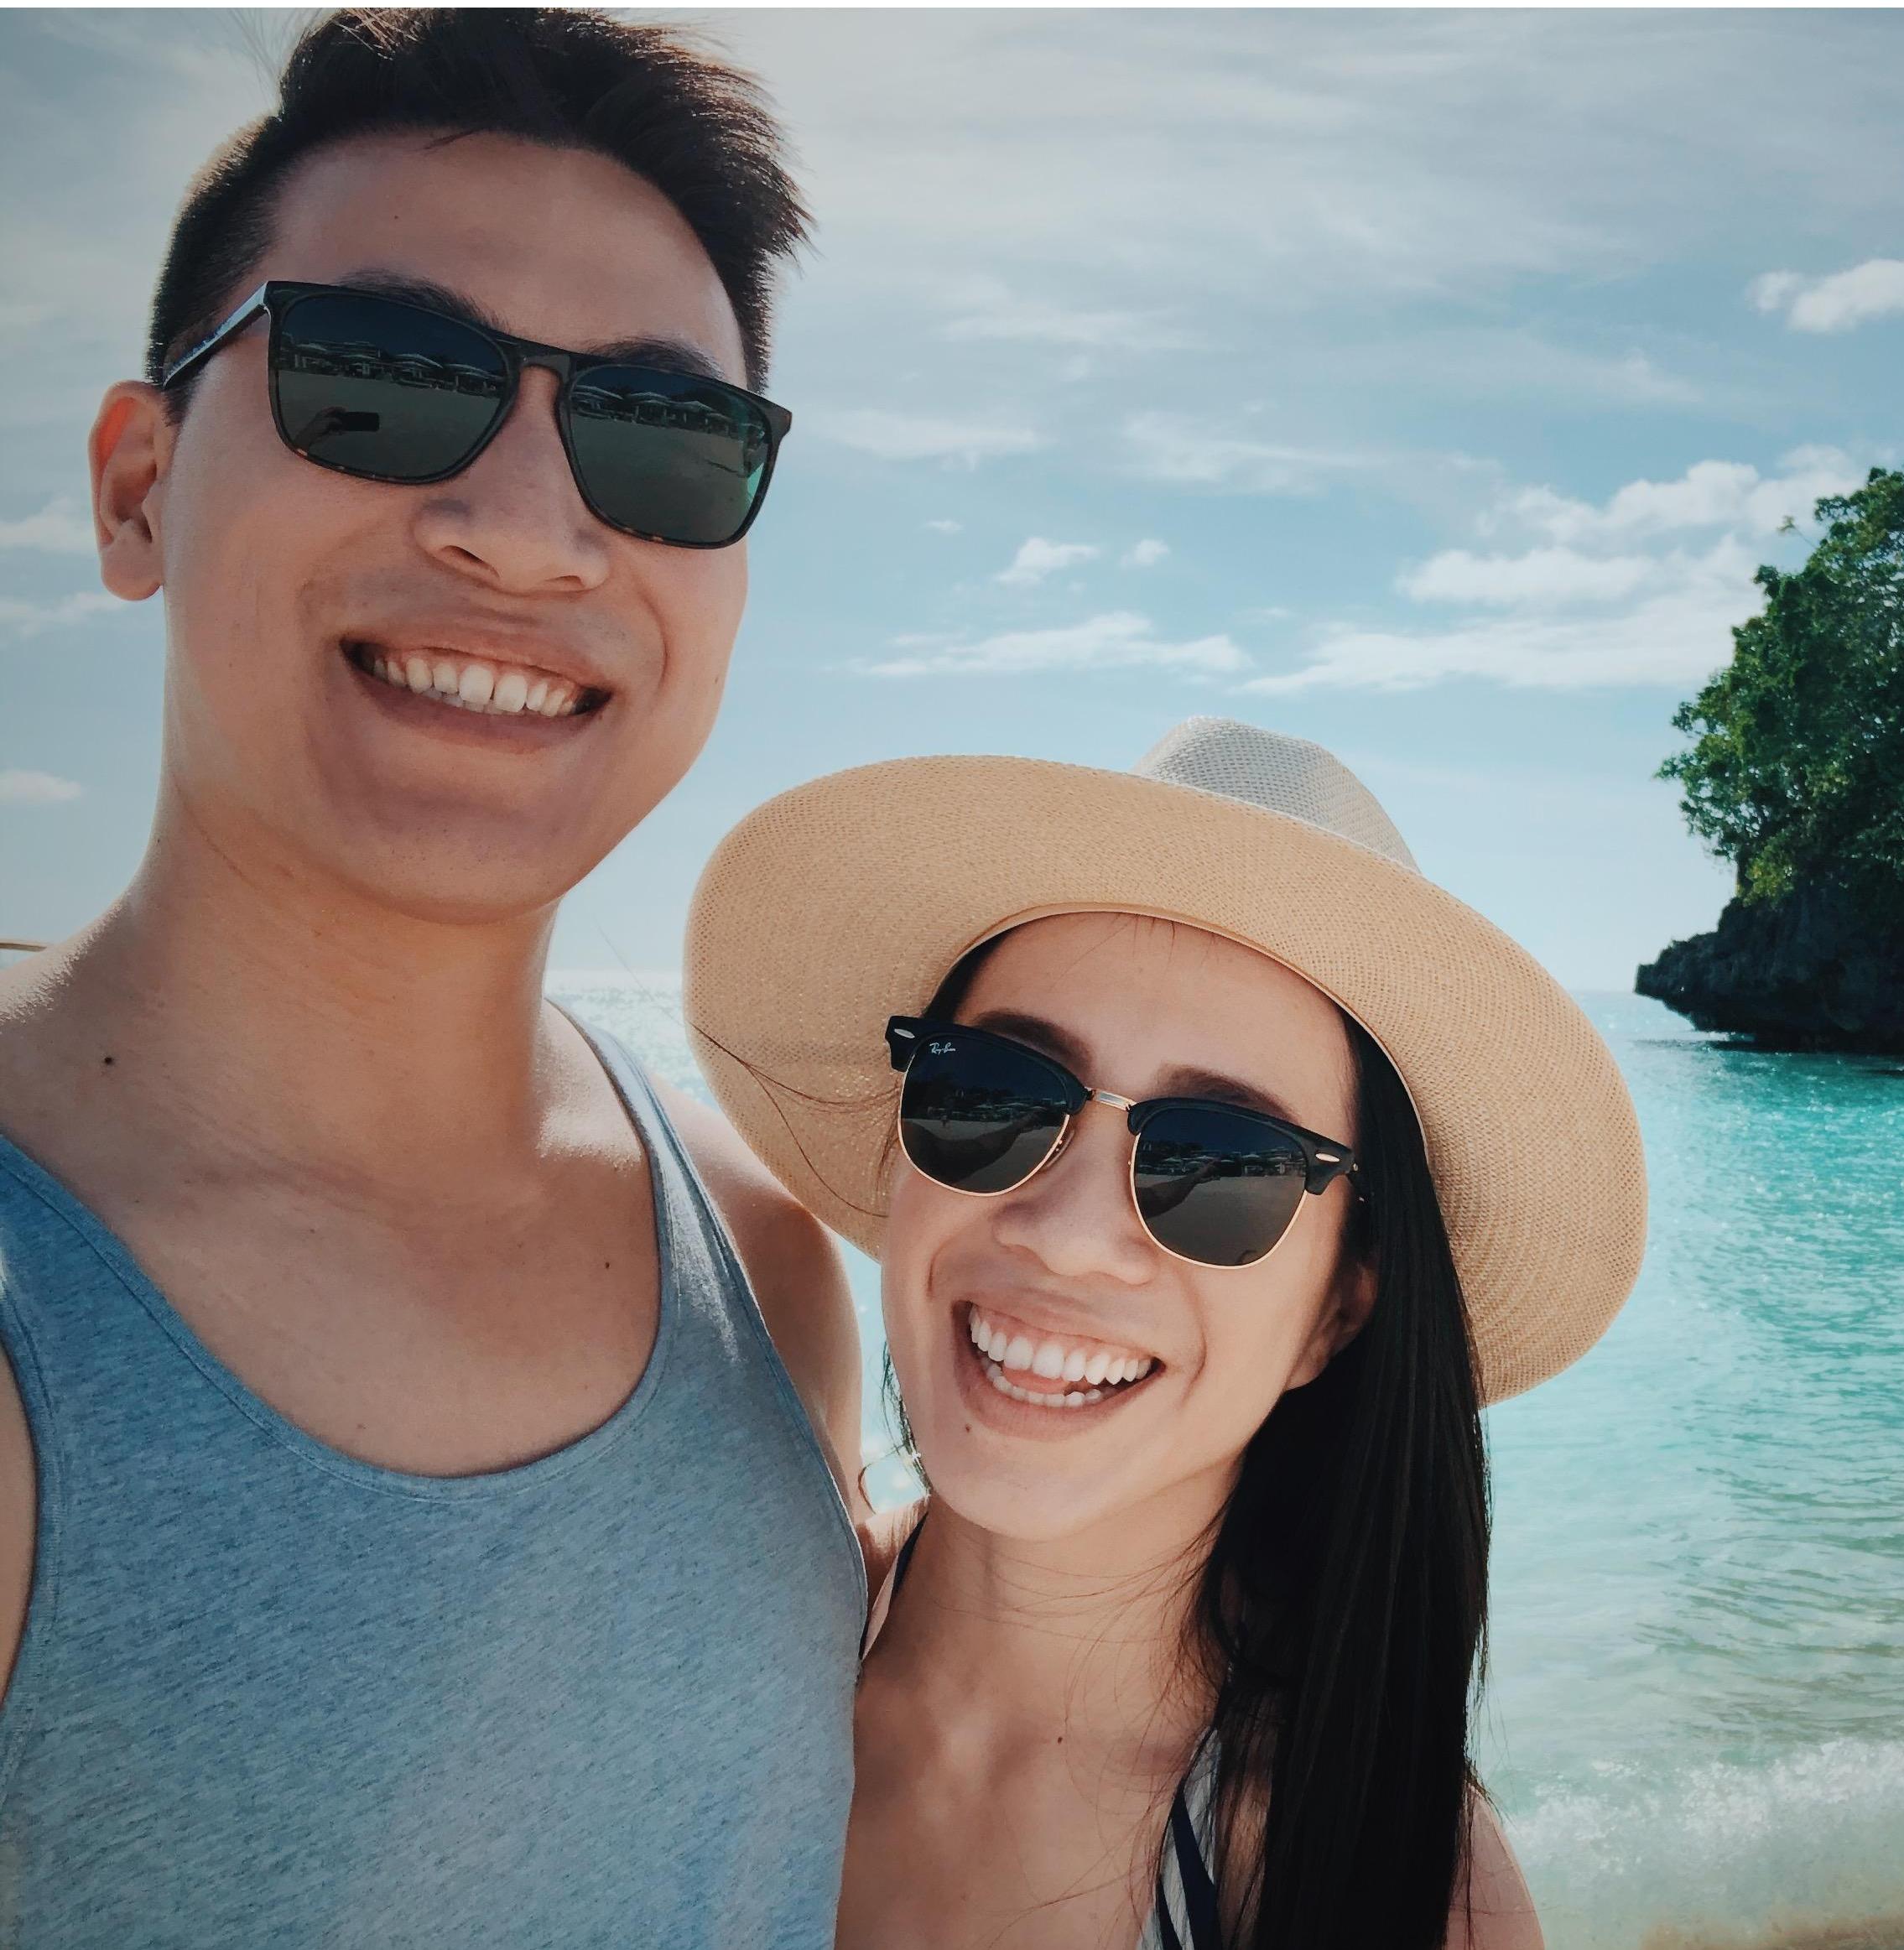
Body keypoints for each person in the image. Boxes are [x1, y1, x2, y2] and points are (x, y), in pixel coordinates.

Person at [0, 12, 866, 1942]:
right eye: (385, 384)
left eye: (659, 440)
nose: (528, 532)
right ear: (137, 489)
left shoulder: (774, 1261)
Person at [684, 716, 1649, 1948]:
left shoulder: (1381, 1888)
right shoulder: (701, 1655)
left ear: (1337, 1310)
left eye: (1221, 1163)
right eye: (995, 1093)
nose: (1070, 1233)